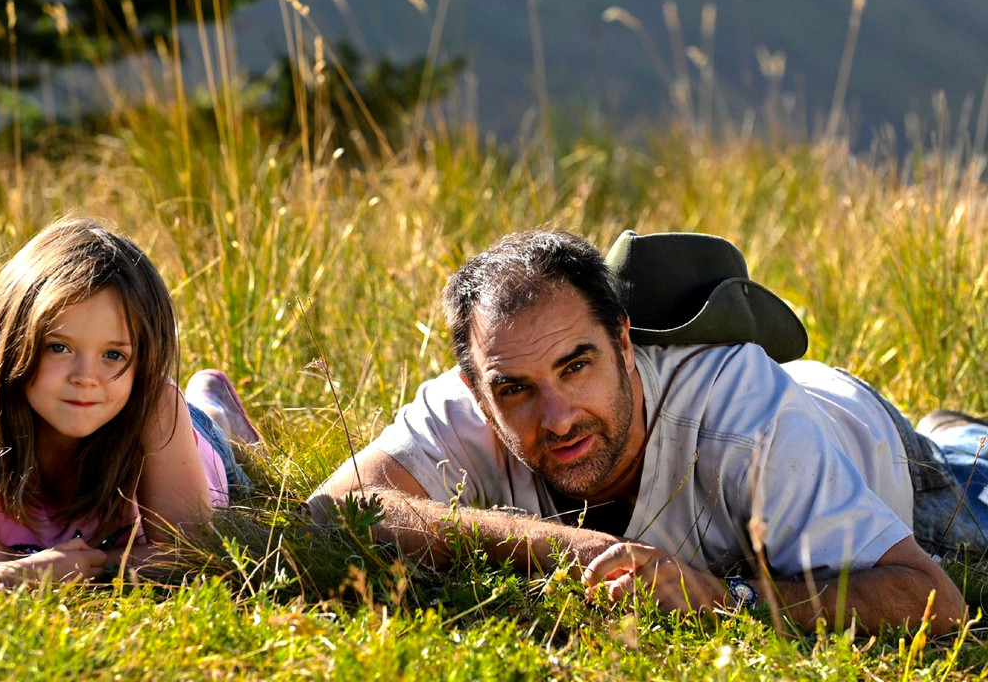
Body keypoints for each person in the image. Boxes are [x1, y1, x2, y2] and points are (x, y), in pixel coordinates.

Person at [314, 229, 984, 634]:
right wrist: (569, 549)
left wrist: (726, 598)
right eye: (516, 390)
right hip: (799, 417)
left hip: (867, 440)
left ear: (625, 344)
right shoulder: (472, 401)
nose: (559, 416)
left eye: (577, 366)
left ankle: (959, 439)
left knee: (971, 497)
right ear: (478, 393)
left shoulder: (748, 426)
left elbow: (935, 602)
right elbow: (337, 510)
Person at [0, 217, 261, 584]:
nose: (85, 377)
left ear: (143, 362)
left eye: (114, 354)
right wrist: (13, 558)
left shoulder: (155, 407)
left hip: (196, 448)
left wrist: (63, 569)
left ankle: (216, 409)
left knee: (209, 427)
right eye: (59, 347)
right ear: (11, 341)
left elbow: (190, 555)